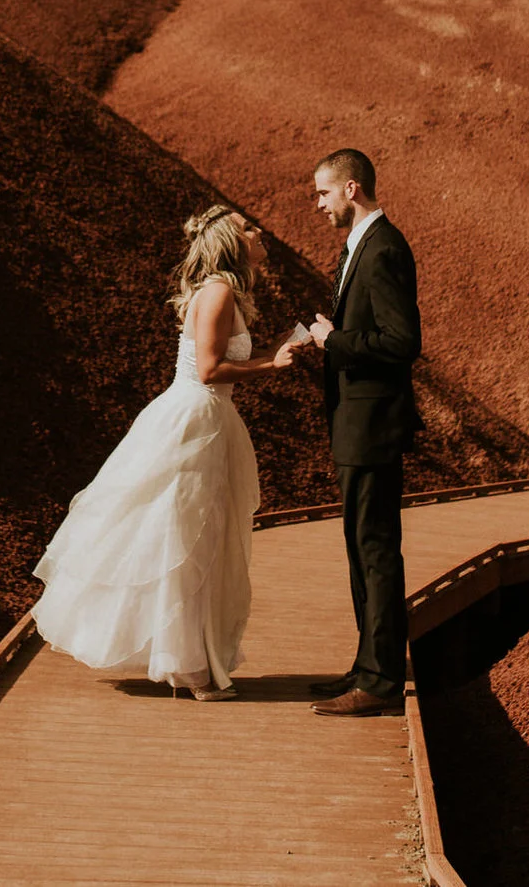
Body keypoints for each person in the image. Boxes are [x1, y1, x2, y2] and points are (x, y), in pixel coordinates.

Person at [30, 206, 301, 700]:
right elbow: (210, 371)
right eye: (247, 227)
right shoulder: (218, 291)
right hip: (196, 419)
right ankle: (192, 669)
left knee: (197, 536)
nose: (258, 231)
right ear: (229, 240)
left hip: (207, 418)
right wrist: (271, 367)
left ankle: (192, 661)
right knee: (190, 538)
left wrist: (273, 351)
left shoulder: (225, 291)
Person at [301, 147, 421, 716]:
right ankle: (365, 666)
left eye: (323, 193)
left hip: (372, 425)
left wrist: (335, 342)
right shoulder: (361, 247)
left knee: (375, 550)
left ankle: (379, 682)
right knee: (360, 546)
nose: (318, 204)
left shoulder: (384, 249)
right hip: (356, 424)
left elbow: (403, 343)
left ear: (351, 189)